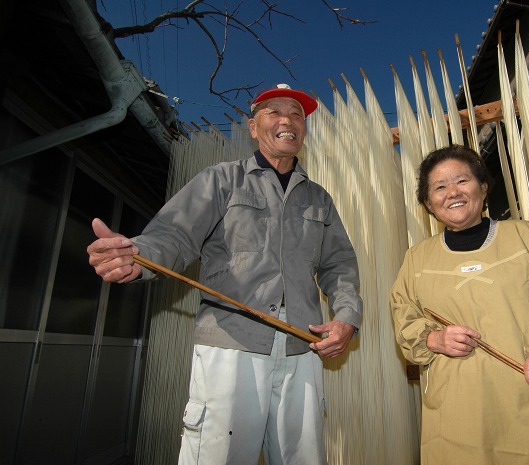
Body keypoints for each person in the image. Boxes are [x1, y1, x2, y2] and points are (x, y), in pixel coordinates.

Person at [87, 84, 362, 465]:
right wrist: (139, 257)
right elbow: (174, 235)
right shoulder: (221, 179)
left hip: (303, 345)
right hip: (231, 344)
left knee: (304, 457)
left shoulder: (319, 198)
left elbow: (340, 265)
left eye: (297, 114)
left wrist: (347, 318)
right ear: (253, 127)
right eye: (274, 112)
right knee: (218, 455)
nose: (288, 120)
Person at [390, 145, 529, 464]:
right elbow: (405, 318)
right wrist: (433, 339)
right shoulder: (417, 260)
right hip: (461, 418)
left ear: (483, 187)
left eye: (462, 181)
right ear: (427, 203)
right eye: (439, 187)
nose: (452, 192)